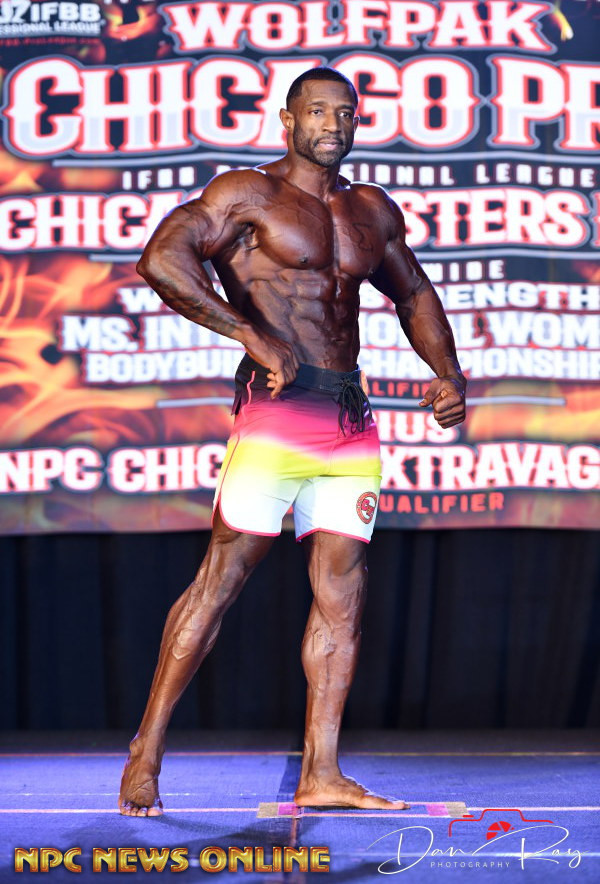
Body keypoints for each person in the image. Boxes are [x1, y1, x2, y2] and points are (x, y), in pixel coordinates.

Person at [119, 67, 466, 817]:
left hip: (349, 414)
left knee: (343, 596)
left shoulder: (370, 209)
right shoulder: (247, 194)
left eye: (345, 113)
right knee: (222, 579)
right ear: (288, 119)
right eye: (317, 111)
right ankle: (146, 750)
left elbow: (412, 291)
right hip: (277, 410)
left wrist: (447, 372)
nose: (333, 124)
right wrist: (245, 331)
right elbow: (162, 259)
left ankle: (323, 771)